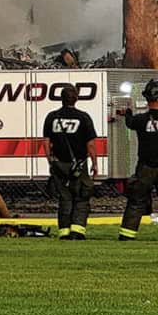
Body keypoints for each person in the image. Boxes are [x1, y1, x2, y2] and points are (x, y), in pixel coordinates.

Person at [118, 78, 158, 241]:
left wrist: (127, 113)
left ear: (147, 99)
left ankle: (127, 234)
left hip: (145, 167)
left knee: (137, 201)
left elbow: (130, 123)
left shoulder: (140, 120)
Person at [43, 85, 98, 240]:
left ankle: (64, 231)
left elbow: (46, 142)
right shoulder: (83, 117)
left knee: (64, 198)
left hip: (59, 164)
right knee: (81, 197)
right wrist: (94, 163)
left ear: (61, 99)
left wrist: (50, 161)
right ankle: (77, 231)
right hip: (79, 165)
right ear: (76, 99)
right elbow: (90, 144)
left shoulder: (52, 117)